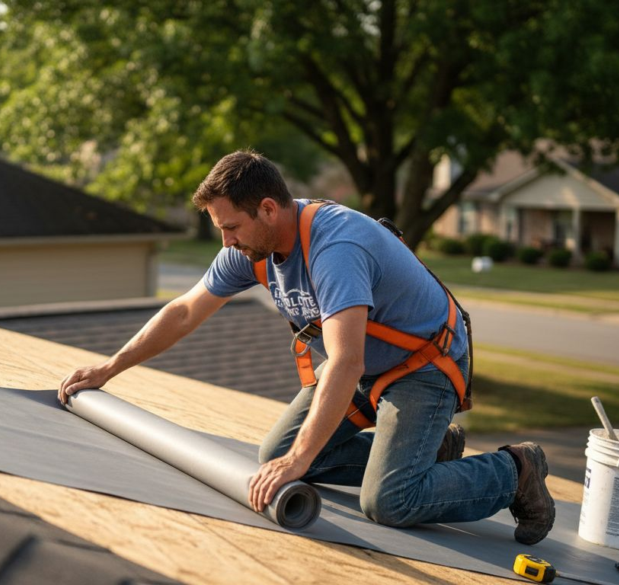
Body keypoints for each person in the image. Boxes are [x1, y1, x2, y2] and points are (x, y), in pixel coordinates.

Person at [60, 150, 555, 544]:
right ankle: (433, 450)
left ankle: (515, 470)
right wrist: (111, 367)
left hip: (422, 365)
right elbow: (185, 311)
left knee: (389, 501)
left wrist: (300, 462)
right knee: (276, 452)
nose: (226, 241)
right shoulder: (252, 249)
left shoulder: (335, 248)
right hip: (365, 368)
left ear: (268, 208)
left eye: (230, 226)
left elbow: (345, 361)